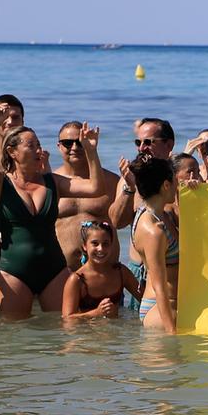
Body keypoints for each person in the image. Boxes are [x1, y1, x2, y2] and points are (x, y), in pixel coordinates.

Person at [0, 102, 108, 317]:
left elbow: (96, 187)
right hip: (13, 271)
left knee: (62, 332)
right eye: (31, 145)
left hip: (54, 269)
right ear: (12, 152)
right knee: (15, 338)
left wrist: (91, 151)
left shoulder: (54, 182)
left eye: (38, 145)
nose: (38, 150)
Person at [52, 121, 120, 266]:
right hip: (62, 271)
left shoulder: (112, 182)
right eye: (67, 143)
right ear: (59, 146)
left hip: (106, 270)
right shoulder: (51, 182)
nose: (75, 147)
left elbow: (126, 222)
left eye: (80, 142)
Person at [128, 156, 179, 333]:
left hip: (166, 307)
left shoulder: (156, 214)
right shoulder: (153, 231)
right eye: (175, 182)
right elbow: (160, 287)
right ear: (166, 185)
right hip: (161, 311)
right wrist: (172, 333)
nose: (177, 187)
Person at [61, 220, 140, 321]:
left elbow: (144, 299)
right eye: (95, 243)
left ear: (112, 245)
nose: (101, 249)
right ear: (85, 246)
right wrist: (96, 313)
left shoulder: (121, 272)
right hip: (86, 334)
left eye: (105, 244)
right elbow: (67, 319)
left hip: (116, 332)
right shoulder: (77, 280)